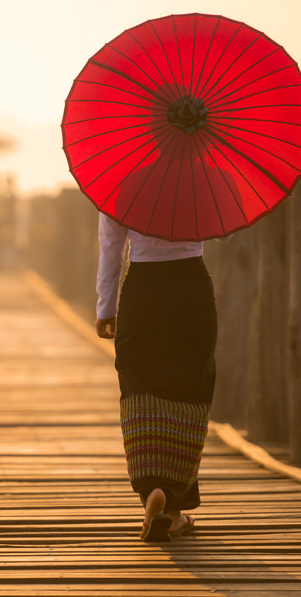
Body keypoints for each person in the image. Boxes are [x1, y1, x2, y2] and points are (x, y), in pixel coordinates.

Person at [95, 211, 217, 542]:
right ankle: (174, 506)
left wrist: (106, 308)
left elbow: (111, 244)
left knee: (138, 387)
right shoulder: (203, 175)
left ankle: (152, 490)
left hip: (143, 292)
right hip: (192, 289)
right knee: (190, 390)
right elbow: (226, 230)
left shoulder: (126, 182)